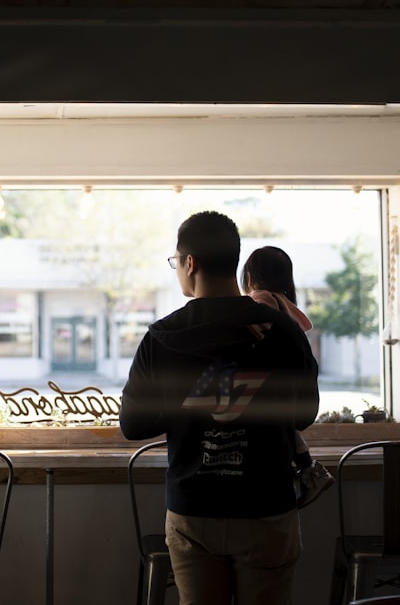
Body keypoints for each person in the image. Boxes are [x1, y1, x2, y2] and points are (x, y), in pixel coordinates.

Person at [120, 211, 320, 605]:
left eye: (175, 261)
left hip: (195, 511)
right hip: (267, 507)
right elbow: (303, 415)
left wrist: (187, 401)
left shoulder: (163, 337)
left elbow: (133, 424)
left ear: (189, 262)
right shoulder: (282, 329)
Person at [242, 245, 335, 508]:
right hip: (289, 394)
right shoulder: (284, 304)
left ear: (249, 276)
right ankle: (310, 473)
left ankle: (310, 473)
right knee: (288, 432)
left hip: (267, 389)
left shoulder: (260, 300)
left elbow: (253, 333)